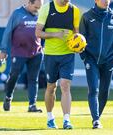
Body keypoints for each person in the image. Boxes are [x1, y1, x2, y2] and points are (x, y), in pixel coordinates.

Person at [79, 0, 113, 129]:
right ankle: (96, 120)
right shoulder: (86, 17)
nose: (106, 1)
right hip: (91, 60)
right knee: (94, 89)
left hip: (108, 62)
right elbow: (80, 40)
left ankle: (97, 116)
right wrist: (84, 58)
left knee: (104, 92)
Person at [35, 0, 80, 129]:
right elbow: (38, 33)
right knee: (51, 87)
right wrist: (56, 34)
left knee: (65, 85)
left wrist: (79, 45)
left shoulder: (74, 10)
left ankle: (67, 120)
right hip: (50, 55)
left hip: (68, 55)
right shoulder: (46, 8)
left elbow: (77, 33)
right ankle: (50, 118)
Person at [0, 0, 43, 113]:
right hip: (19, 52)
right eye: (36, 7)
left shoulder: (41, 14)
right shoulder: (17, 14)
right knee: (14, 76)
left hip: (36, 53)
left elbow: (45, 32)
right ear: (29, 3)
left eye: (39, 8)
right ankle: (8, 97)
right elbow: (7, 32)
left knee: (33, 79)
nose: (37, 10)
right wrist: (3, 50)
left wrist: (43, 46)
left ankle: (32, 105)